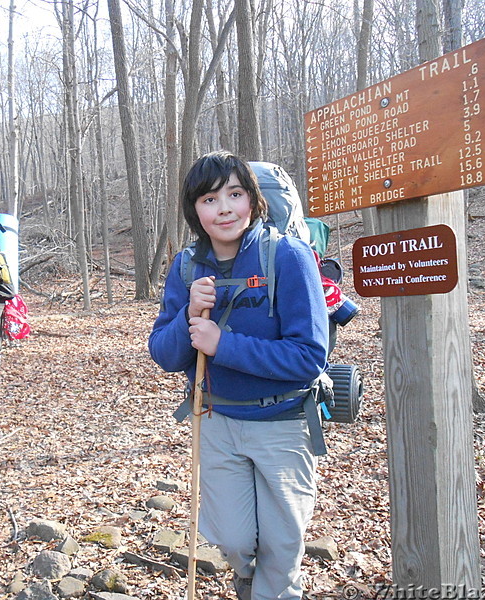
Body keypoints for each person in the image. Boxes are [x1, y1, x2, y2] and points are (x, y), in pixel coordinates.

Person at [148, 151, 329, 600]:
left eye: (235, 193)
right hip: (217, 422)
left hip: (284, 423)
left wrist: (221, 344)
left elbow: (309, 357)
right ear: (195, 210)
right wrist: (188, 317)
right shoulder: (186, 266)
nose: (224, 208)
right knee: (232, 539)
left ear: (252, 200)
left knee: (282, 550)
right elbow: (164, 354)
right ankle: (246, 577)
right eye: (210, 199)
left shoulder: (287, 256)